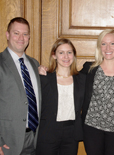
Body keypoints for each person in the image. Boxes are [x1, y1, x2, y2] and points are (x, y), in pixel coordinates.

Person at [80, 29, 114, 155]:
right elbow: (68, 78)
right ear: (99, 47)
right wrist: (46, 73)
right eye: (103, 44)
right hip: (92, 128)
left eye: (112, 43)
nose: (108, 47)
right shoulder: (89, 69)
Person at [36, 38, 85, 155]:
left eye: (69, 52)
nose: (66, 56)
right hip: (48, 131)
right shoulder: (45, 78)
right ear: (54, 55)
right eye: (61, 53)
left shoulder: (82, 79)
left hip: (71, 132)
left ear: (74, 55)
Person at [0, 17, 41, 155]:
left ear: (29, 37)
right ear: (7, 35)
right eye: (16, 33)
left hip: (35, 138)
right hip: (7, 141)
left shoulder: (35, 64)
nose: (21, 38)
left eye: (25, 34)